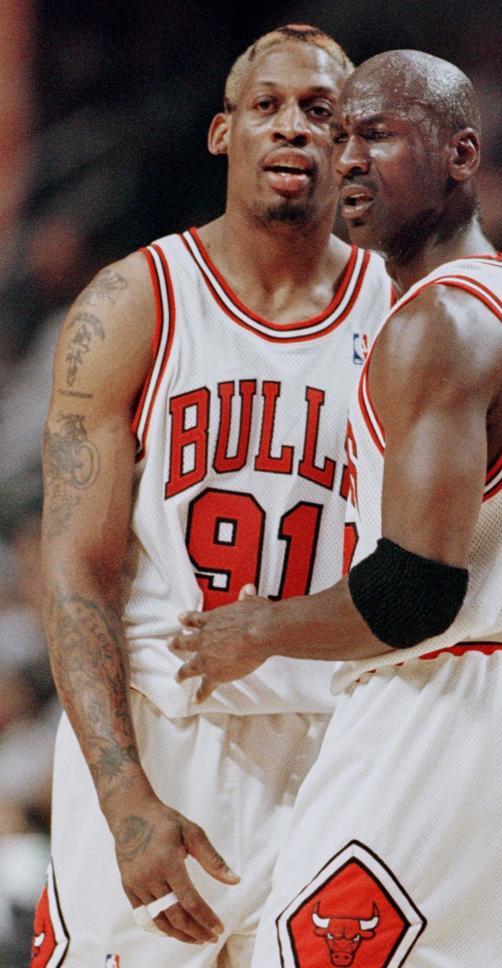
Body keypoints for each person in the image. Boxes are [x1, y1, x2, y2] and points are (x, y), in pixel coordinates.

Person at [171, 50, 502, 967]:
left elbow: (414, 593)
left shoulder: (437, 323)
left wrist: (253, 630)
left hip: (437, 709)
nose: (345, 157)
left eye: (376, 134)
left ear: (462, 156)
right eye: (340, 135)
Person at [35, 25, 392, 968]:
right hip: (167, 725)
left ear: (351, 143)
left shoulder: (403, 315)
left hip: (338, 738)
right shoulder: (135, 302)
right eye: (267, 105)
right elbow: (75, 566)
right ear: (220, 133)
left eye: (321, 112)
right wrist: (122, 797)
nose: (293, 130)